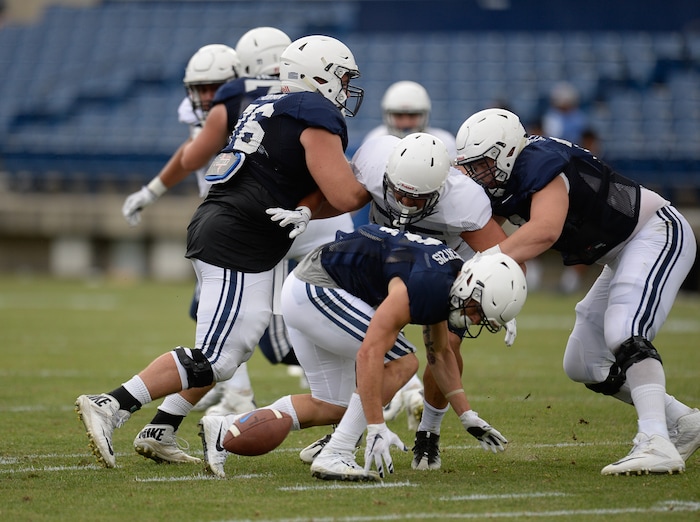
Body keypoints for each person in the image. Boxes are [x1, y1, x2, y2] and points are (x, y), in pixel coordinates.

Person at [75, 34, 370, 469]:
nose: (345, 90)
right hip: (238, 236)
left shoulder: (269, 106)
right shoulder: (313, 112)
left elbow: (315, 189)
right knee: (217, 356)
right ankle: (111, 404)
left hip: (235, 230)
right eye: (342, 79)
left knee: (227, 355)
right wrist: (385, 177)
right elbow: (346, 196)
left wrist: (307, 207)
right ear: (319, 76)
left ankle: (159, 427)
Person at [453, 107, 700, 476]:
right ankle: (686, 422)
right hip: (622, 252)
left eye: (483, 164)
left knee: (624, 330)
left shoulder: (539, 160)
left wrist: (480, 264)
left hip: (656, 232)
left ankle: (655, 440)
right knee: (583, 362)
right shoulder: (505, 179)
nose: (477, 174)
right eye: (471, 166)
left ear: (507, 151)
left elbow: (544, 231)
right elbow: (483, 234)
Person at [200, 224, 527, 479]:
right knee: (402, 362)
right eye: (475, 309)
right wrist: (375, 427)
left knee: (333, 405)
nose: (472, 318)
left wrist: (466, 414)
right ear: (471, 284)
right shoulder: (430, 282)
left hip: (311, 289)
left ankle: (224, 427)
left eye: (480, 317)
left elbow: (440, 355)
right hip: (317, 287)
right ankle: (337, 452)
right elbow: (370, 353)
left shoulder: (451, 278)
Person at [293, 132, 518, 472]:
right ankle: (345, 441)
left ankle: (423, 432)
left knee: (439, 346)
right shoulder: (372, 162)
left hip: (433, 264)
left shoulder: (463, 203)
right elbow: (340, 194)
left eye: (419, 198)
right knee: (391, 355)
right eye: (399, 193)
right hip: (378, 270)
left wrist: (501, 292)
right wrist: (306, 209)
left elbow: (502, 252)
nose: (407, 204)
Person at [363, 81, 456, 157]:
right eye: (399, 115)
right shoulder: (375, 142)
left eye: (412, 115)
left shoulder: (444, 143)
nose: (406, 123)